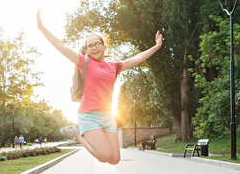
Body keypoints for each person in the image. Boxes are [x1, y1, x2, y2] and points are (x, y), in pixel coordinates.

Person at [37, 10, 163, 165]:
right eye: (90, 46)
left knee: (115, 160)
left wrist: (156, 46)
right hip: (89, 116)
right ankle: (77, 134)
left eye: (97, 44)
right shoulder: (84, 63)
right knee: (103, 156)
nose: (94, 47)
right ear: (86, 50)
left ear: (104, 47)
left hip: (107, 116)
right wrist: (42, 28)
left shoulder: (114, 67)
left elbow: (136, 58)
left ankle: (80, 135)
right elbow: (61, 46)